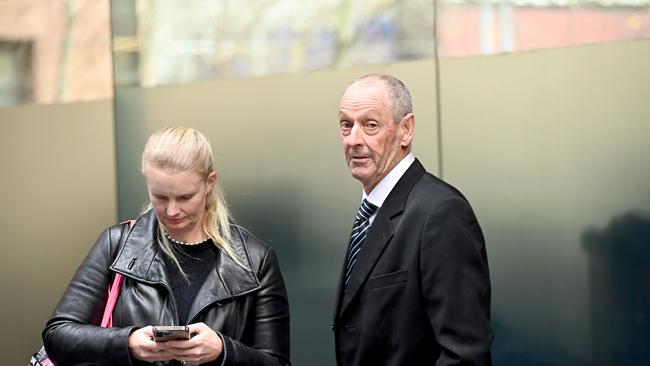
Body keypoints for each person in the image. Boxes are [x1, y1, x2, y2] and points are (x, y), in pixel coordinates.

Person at [43, 127, 290, 366]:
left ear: (209, 183)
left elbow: (276, 361)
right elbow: (58, 335)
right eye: (160, 197)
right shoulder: (118, 244)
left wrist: (223, 350)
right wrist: (127, 342)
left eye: (185, 197)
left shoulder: (255, 261)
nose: (172, 210)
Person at [332, 74, 493, 366]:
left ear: (406, 130)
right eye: (346, 125)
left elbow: (465, 355)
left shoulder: (441, 213)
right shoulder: (371, 210)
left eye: (370, 125)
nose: (354, 139)